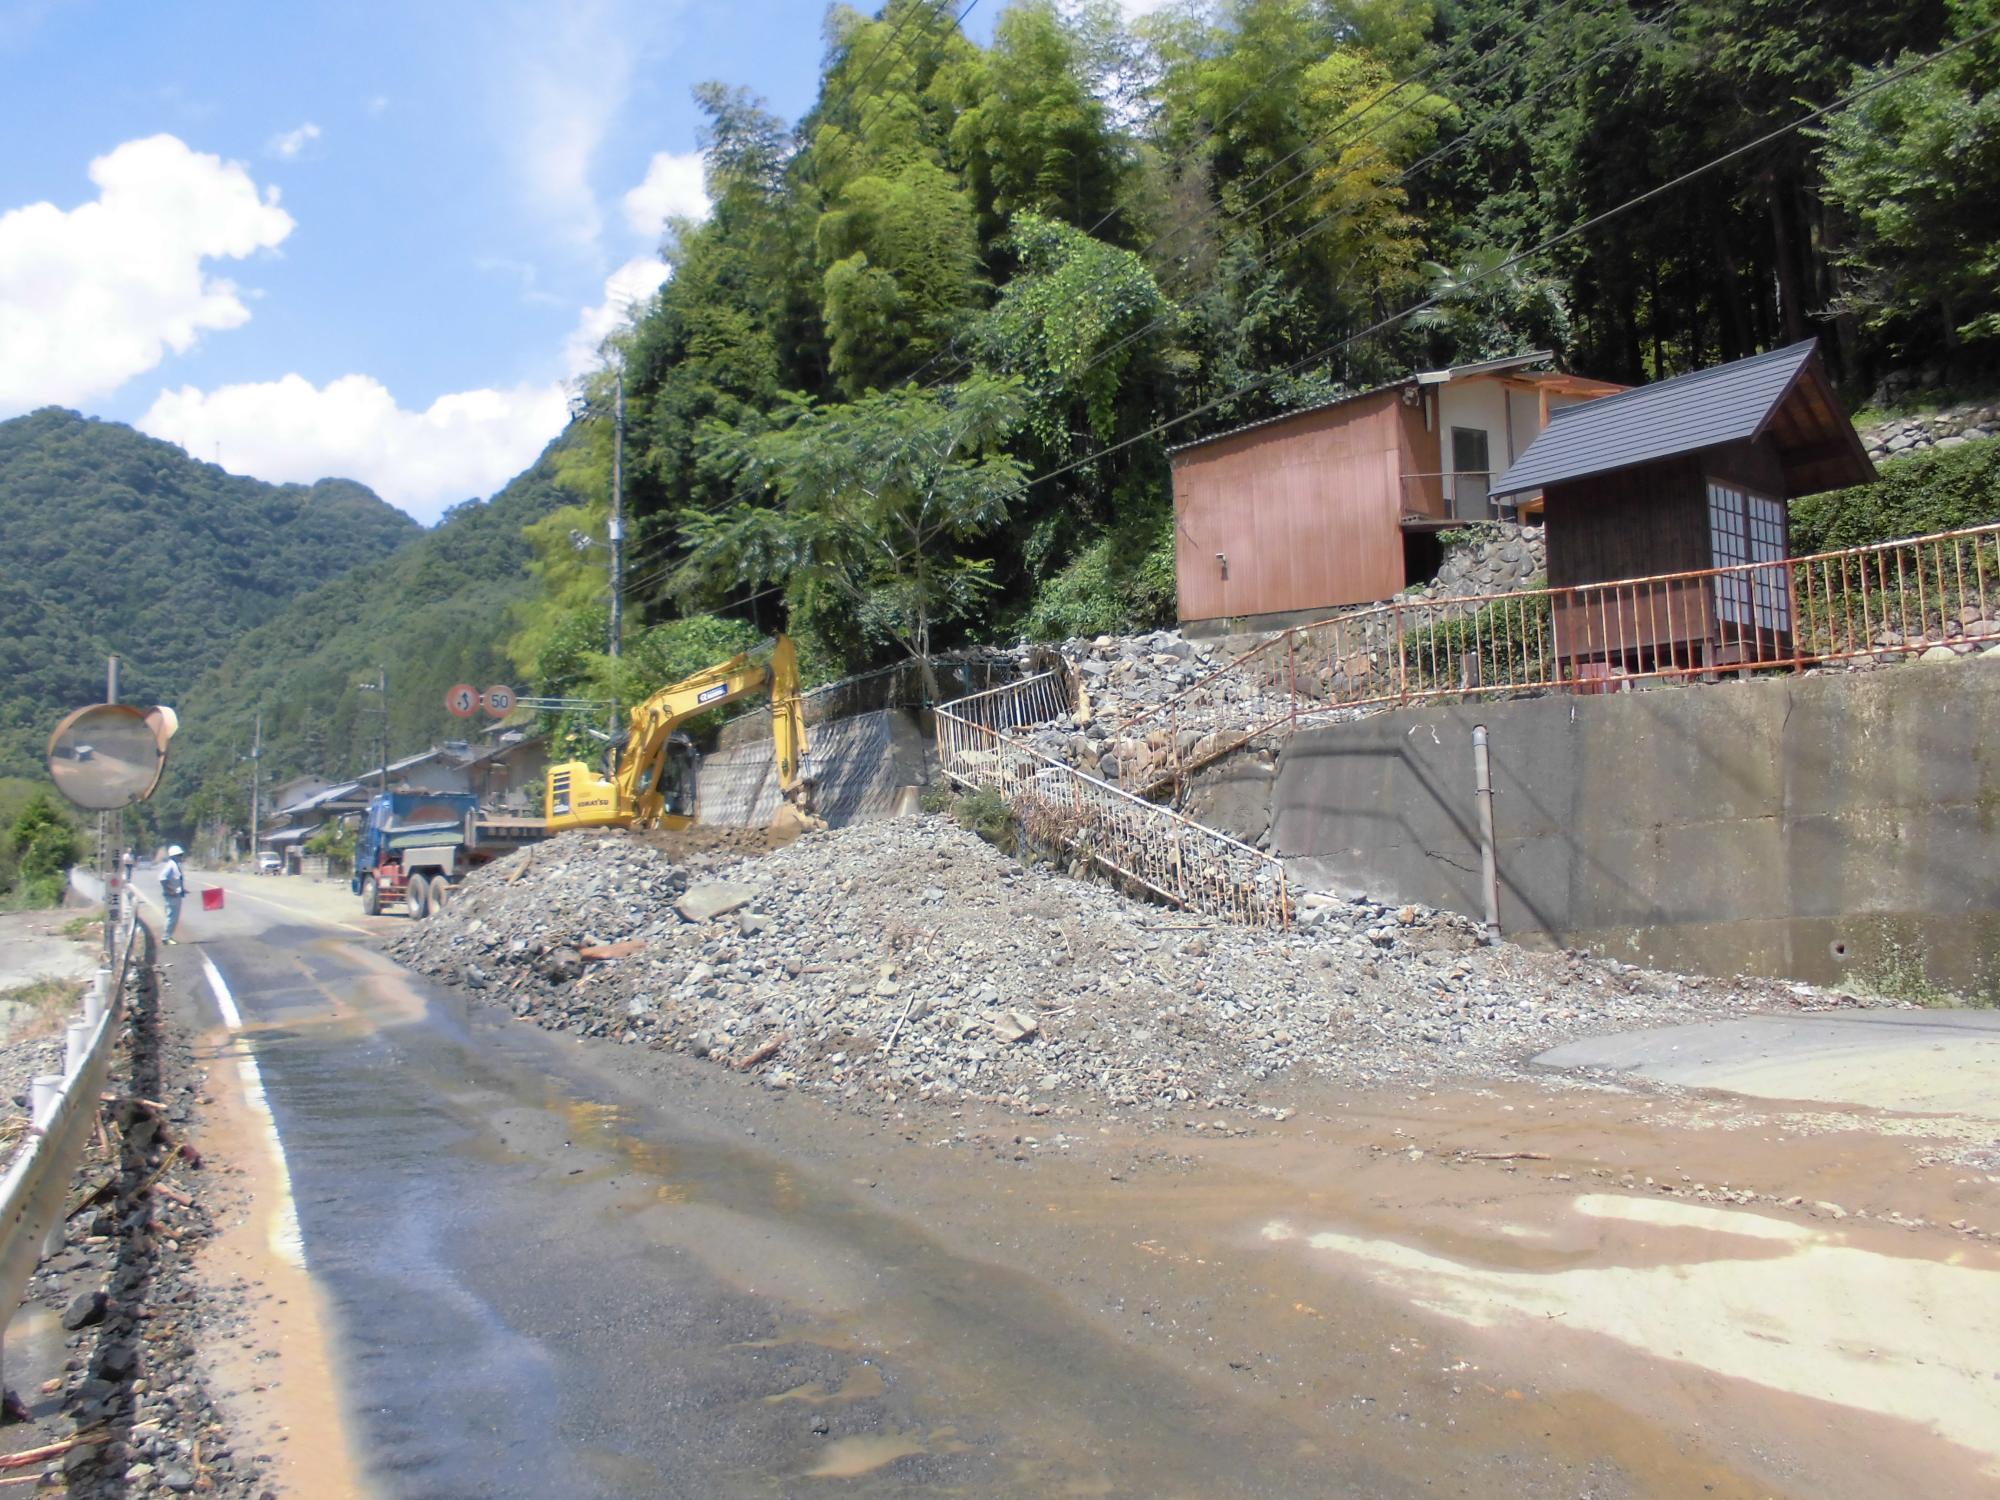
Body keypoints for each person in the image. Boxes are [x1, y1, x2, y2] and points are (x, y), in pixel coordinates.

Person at [160, 844, 187, 944]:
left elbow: (177, 880)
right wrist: (171, 891)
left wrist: (182, 890)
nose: (181, 857)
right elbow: (162, 878)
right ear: (174, 856)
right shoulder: (170, 865)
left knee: (173, 917)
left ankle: (168, 936)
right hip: (172, 896)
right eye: (179, 855)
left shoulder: (175, 865)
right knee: (172, 917)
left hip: (176, 895)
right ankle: (166, 937)